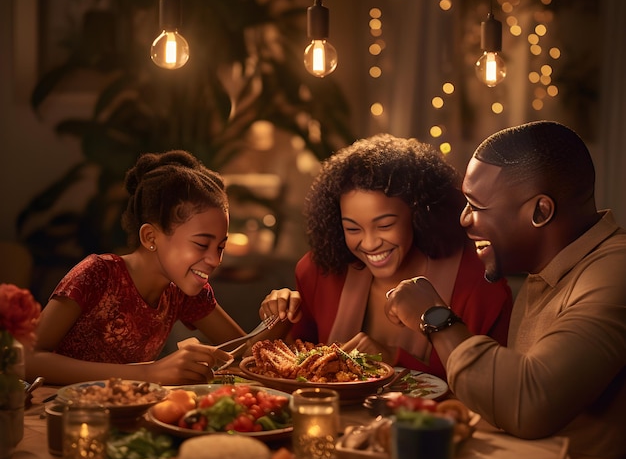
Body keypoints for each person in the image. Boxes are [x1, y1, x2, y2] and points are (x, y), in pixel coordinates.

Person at [384, 121, 626, 459]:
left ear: (540, 211)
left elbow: (530, 403)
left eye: (476, 206)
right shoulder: (544, 273)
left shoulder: (615, 272)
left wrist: (435, 317)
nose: (463, 219)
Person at [260, 133, 512, 380]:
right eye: (353, 229)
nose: (369, 243)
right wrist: (279, 315)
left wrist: (393, 356)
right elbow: (294, 364)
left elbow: (494, 389)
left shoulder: (478, 285)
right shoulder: (319, 272)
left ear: (418, 215)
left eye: (384, 225)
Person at [28, 150, 248, 386]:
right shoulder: (97, 274)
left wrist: (284, 306)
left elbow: (248, 353)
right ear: (150, 236)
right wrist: (148, 374)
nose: (215, 260)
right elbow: (28, 360)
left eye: (221, 247)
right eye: (202, 244)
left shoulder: (184, 290)